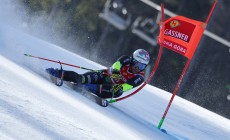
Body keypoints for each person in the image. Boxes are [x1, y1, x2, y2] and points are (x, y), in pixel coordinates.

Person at [46, 49, 150, 99]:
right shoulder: (127, 59)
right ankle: (56, 72)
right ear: (132, 60)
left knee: (119, 90)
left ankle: (88, 87)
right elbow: (117, 64)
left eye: (141, 66)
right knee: (82, 78)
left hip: (112, 87)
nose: (137, 68)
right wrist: (116, 72)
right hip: (104, 75)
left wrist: (120, 84)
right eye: (136, 64)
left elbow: (127, 87)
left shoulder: (139, 77)